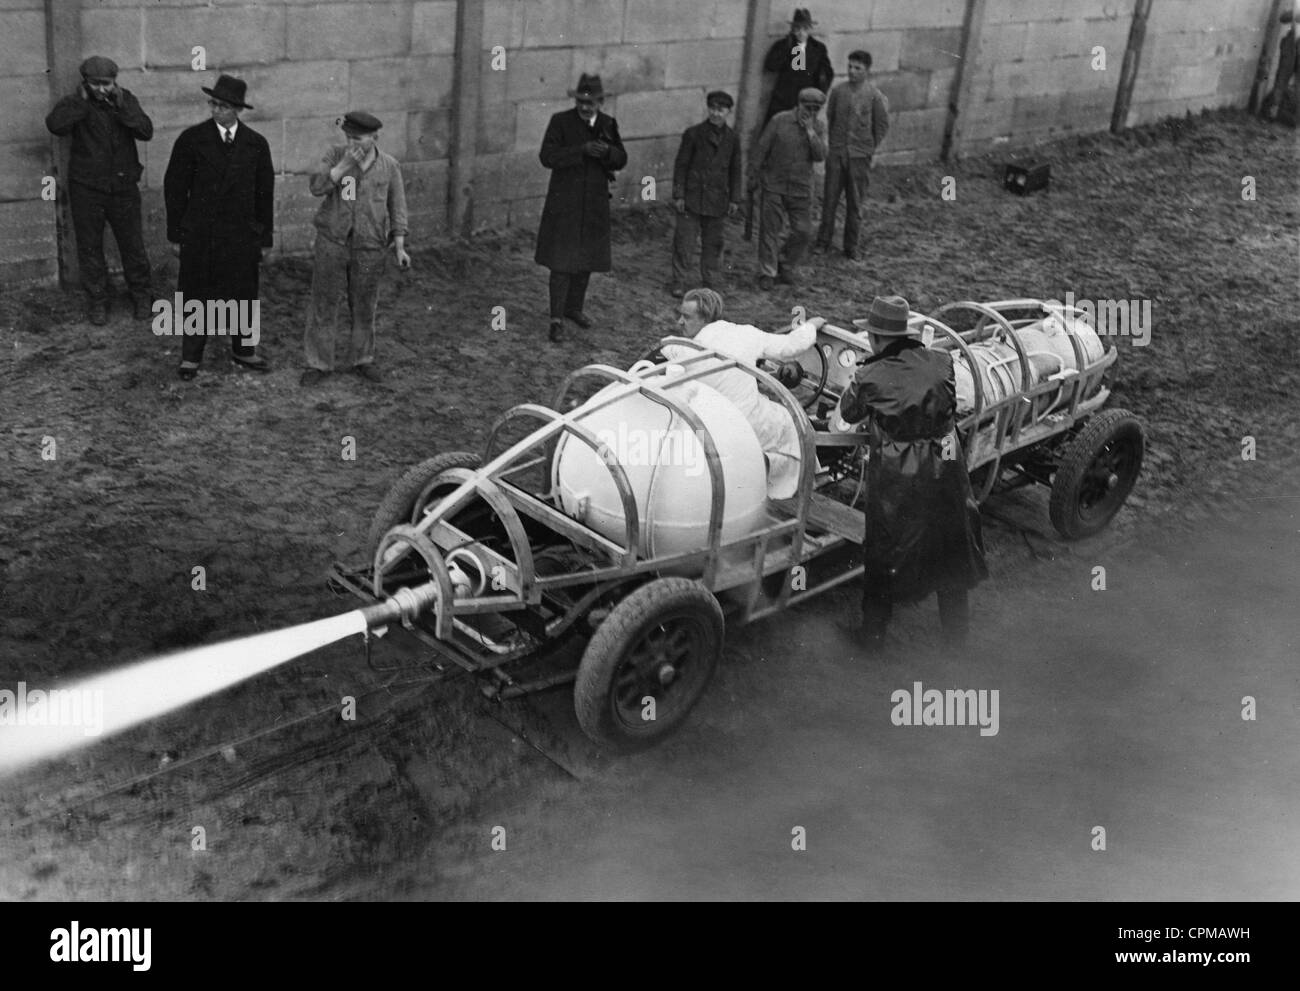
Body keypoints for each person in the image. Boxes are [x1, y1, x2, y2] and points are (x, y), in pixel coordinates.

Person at [836, 295, 988, 652]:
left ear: (873, 338)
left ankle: (872, 636)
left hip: (897, 472)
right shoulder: (942, 361)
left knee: (887, 548)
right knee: (951, 544)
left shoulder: (868, 375)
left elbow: (849, 411)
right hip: (946, 466)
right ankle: (957, 637)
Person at [661, 288, 823, 499]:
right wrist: (812, 325)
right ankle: (796, 482)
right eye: (681, 315)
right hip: (742, 421)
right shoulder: (746, 333)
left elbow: (663, 351)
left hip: (702, 422)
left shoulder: (678, 347)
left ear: (706, 319)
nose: (680, 322)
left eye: (687, 317)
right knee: (792, 423)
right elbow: (791, 346)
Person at [164, 74, 274, 380]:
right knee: (196, 293)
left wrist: (264, 238)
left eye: (223, 106)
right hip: (201, 234)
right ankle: (191, 356)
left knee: (243, 292)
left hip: (241, 236)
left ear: (238, 110)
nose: (216, 111)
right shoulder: (191, 140)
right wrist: (176, 234)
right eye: (213, 104)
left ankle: (244, 350)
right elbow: (174, 189)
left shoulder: (255, 144)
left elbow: (265, 193)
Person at [300, 112, 410, 387]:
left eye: (358, 139)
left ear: (374, 138)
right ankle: (319, 363)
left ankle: (362, 359)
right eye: (348, 137)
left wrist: (399, 246)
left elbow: (397, 207)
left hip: (370, 246)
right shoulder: (335, 156)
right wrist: (343, 165)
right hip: (332, 242)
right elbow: (316, 187)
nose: (352, 144)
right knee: (324, 302)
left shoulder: (389, 166)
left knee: (364, 303)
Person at [45, 56, 154, 326]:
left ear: (115, 82)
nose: (102, 89)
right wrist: (81, 104)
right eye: (96, 84)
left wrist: (122, 109)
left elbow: (145, 131)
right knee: (90, 248)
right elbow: (55, 125)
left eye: (107, 84)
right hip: (87, 189)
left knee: (132, 245)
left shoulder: (125, 100)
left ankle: (141, 296)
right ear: (86, 83)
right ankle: (98, 302)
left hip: (123, 188)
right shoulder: (75, 103)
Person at [535, 73, 627, 343]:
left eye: (591, 102)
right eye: (581, 101)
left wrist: (607, 153)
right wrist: (582, 150)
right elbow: (547, 157)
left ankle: (574, 309)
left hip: (594, 204)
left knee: (585, 261)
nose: (585, 107)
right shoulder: (560, 122)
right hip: (565, 204)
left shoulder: (608, 124)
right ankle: (556, 318)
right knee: (561, 263)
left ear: (600, 102)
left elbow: (621, 158)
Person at [749, 87, 827, 291]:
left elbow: (820, 155)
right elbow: (761, 149)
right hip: (774, 184)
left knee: (803, 232)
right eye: (807, 107)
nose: (810, 112)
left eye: (815, 109)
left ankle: (786, 263)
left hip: (801, 188)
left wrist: (810, 132)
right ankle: (768, 272)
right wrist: (753, 175)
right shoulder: (779, 121)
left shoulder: (818, 127)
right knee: (770, 231)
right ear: (798, 104)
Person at [814, 51, 889, 261]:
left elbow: (881, 125)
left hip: (859, 157)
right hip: (837, 155)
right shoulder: (838, 91)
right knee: (829, 200)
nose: (852, 72)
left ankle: (851, 246)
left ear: (867, 71)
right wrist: (836, 146)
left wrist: (867, 148)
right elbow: (831, 117)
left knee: (855, 203)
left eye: (858, 68)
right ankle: (823, 242)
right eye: (850, 67)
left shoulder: (874, 95)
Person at [669, 91, 742, 297]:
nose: (716, 114)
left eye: (721, 110)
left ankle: (710, 280)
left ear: (728, 112)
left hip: (717, 200)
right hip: (692, 198)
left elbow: (735, 169)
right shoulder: (693, 134)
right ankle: (679, 281)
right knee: (684, 243)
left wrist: (735, 198)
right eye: (712, 108)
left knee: (713, 244)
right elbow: (681, 165)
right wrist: (679, 195)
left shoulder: (733, 138)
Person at [762, 8, 833, 123]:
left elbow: (827, 74)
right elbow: (771, 66)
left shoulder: (818, 48)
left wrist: (819, 95)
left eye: (805, 29)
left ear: (810, 29)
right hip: (783, 99)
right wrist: (787, 45)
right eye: (797, 28)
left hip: (806, 101)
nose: (801, 32)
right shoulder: (784, 45)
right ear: (792, 29)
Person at [1262, 3, 1299, 127]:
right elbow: (1283, 18)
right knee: (1281, 78)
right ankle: (1272, 113)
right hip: (1291, 43)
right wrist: (1294, 14)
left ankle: (1295, 118)